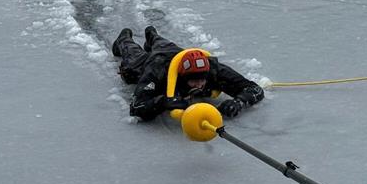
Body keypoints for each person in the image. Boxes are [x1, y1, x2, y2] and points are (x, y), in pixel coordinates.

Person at [112, 26, 264, 122]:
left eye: (202, 80)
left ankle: (152, 35)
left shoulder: (214, 69)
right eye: (194, 81)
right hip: (158, 60)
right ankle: (123, 39)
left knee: (162, 42)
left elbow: (255, 89)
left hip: (173, 50)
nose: (199, 84)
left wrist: (239, 102)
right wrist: (162, 102)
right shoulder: (157, 72)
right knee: (131, 64)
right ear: (183, 77)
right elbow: (136, 107)